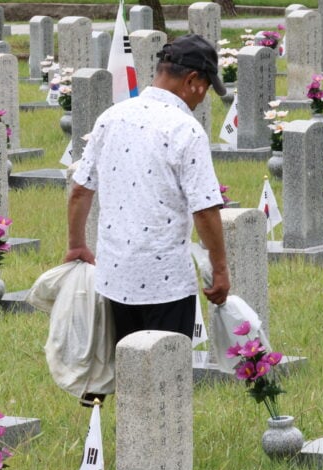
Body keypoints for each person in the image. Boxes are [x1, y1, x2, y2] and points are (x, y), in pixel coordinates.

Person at [65, 34, 231, 404]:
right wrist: (219, 268)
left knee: (128, 375)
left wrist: (76, 244)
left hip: (115, 275)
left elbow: (79, 190)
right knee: (165, 384)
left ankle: (133, 448)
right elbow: (204, 209)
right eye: (204, 89)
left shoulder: (112, 116)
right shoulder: (185, 129)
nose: (202, 98)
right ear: (192, 82)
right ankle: (162, 455)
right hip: (165, 281)